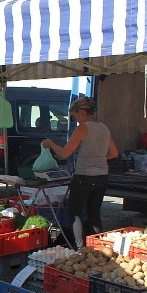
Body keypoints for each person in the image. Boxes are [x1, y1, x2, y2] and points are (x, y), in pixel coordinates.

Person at [42, 97, 119, 249]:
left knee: (75, 213)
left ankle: (80, 249)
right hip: (102, 177)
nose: (75, 119)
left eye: (75, 115)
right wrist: (99, 159)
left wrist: (50, 143)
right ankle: (95, 248)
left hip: (84, 177)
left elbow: (64, 153)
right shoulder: (104, 127)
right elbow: (114, 153)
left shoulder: (83, 128)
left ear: (82, 113)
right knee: (94, 213)